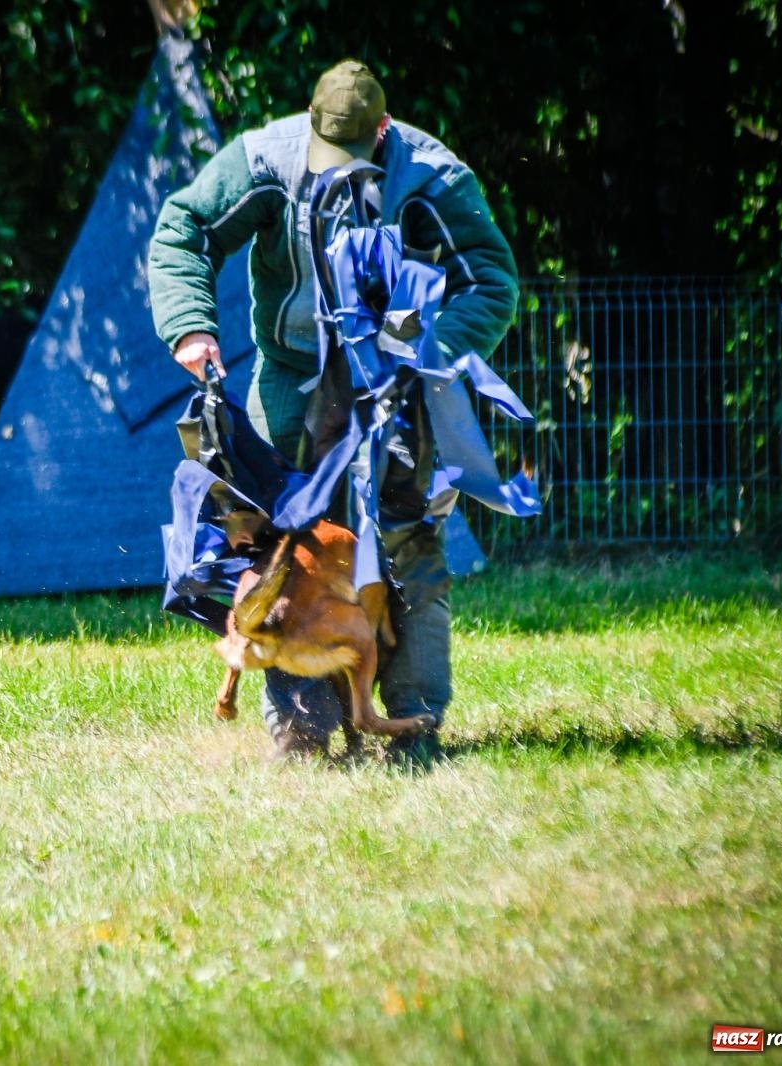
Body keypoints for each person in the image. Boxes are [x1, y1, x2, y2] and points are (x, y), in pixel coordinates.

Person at [147, 58, 520, 765]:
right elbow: (184, 225)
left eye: (354, 151)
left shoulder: (435, 177)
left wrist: (425, 349)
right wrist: (190, 324)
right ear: (310, 124)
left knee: (405, 545)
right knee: (284, 552)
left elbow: (492, 282)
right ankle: (300, 732)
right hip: (290, 382)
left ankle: (413, 727)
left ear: (384, 129)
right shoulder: (266, 160)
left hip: (399, 385)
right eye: (328, 150)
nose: (338, 166)